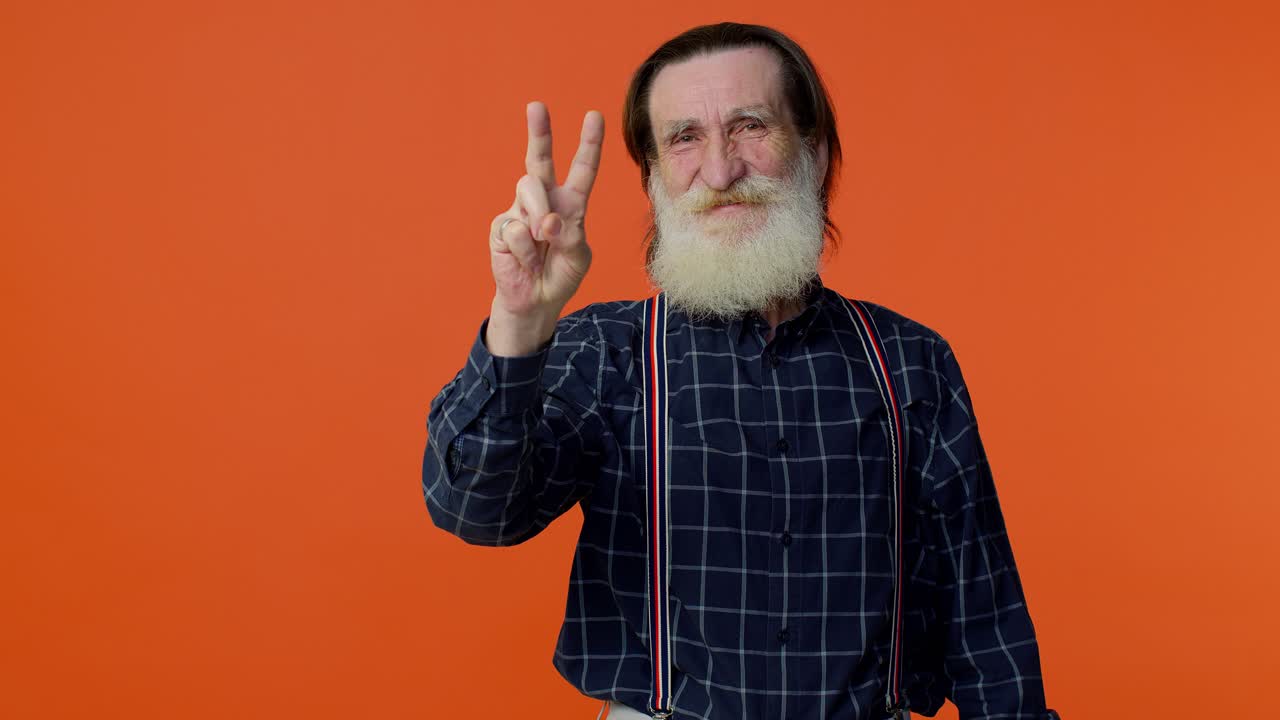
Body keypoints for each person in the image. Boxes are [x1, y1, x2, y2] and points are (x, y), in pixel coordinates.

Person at [422, 22, 1057, 720]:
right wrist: (517, 321)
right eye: (684, 138)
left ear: (814, 152)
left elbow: (990, 633)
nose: (720, 172)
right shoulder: (606, 351)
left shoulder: (912, 362)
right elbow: (476, 511)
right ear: (655, 176)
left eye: (751, 126)